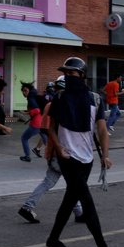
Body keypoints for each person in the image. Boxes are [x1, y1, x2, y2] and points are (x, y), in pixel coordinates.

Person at [45, 57, 114, 247]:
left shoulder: (95, 99)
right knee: (87, 201)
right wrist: (58, 148)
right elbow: (51, 127)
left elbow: (102, 130)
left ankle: (53, 239)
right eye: (65, 73)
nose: (68, 77)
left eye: (71, 73)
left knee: (70, 199)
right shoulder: (59, 97)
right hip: (68, 158)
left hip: (87, 158)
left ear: (82, 75)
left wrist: (105, 155)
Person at [18, 76, 84, 224]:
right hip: (66, 152)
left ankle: (28, 206)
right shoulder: (67, 107)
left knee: (50, 182)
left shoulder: (50, 105)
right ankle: (79, 213)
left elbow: (45, 129)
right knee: (74, 184)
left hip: (54, 152)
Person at [18, 81, 47, 162]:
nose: (24, 93)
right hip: (41, 122)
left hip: (36, 123)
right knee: (46, 140)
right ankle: (53, 157)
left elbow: (37, 110)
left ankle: (27, 156)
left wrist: (25, 113)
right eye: (23, 91)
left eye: (25, 90)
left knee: (24, 138)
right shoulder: (34, 96)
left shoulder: (31, 98)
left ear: (29, 90)